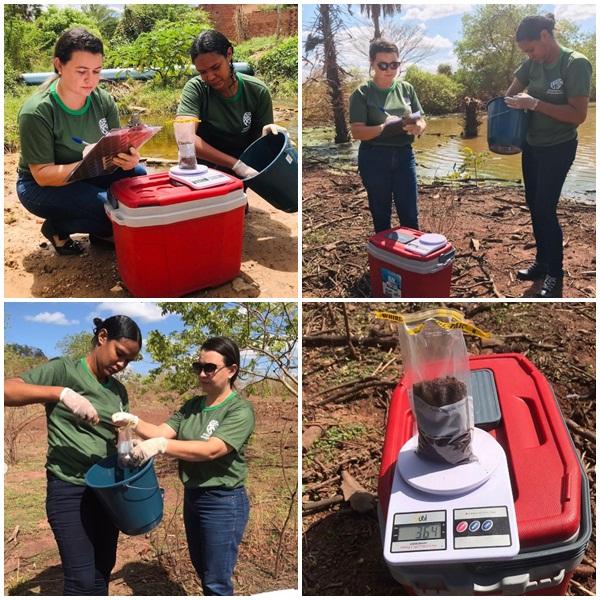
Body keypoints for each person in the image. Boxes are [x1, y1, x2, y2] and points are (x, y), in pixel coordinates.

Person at [4, 316, 142, 595]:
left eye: (129, 360)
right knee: (80, 579)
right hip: (69, 488)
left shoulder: (118, 390)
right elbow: (6, 389)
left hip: (106, 491)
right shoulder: (64, 370)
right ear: (103, 337)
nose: (121, 365)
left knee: (103, 569)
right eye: (119, 354)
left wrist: (129, 444)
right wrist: (61, 393)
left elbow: (119, 436)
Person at [112, 336, 255, 596]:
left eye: (209, 368)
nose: (202, 374)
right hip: (194, 496)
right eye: (198, 367)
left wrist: (160, 446)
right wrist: (132, 422)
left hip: (223, 501)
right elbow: (159, 430)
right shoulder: (191, 407)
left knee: (216, 580)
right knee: (202, 568)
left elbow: (213, 449)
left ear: (232, 370)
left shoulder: (238, 410)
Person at [16, 28, 146, 256]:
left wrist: (127, 158)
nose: (91, 80)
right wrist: (85, 166)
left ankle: (99, 228)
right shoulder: (37, 112)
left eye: (96, 71)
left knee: (138, 177)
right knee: (108, 209)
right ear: (59, 65)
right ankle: (57, 228)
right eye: (81, 71)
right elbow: (42, 174)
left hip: (91, 170)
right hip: (41, 186)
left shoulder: (103, 100)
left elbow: (115, 145)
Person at [505, 14, 592, 298]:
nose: (530, 56)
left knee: (545, 206)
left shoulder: (575, 63)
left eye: (531, 49)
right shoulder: (533, 63)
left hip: (559, 146)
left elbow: (578, 115)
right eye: (526, 53)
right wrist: (510, 105)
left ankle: (555, 274)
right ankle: (542, 263)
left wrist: (535, 103)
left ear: (545, 36)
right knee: (534, 204)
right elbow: (510, 94)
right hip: (532, 145)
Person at [176, 29, 285, 179]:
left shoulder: (257, 91)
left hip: (241, 171)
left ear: (229, 54)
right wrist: (235, 164)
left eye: (215, 68)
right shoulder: (195, 89)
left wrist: (272, 138)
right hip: (201, 171)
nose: (210, 77)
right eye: (202, 72)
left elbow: (259, 142)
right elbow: (185, 139)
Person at [349, 38, 427, 233]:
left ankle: (411, 259)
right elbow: (357, 132)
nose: (389, 69)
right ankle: (384, 259)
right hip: (374, 157)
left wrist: (418, 126)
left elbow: (422, 119)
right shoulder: (361, 93)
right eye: (382, 65)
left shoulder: (406, 88)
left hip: (404, 155)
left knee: (410, 213)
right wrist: (384, 127)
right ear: (372, 63)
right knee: (381, 213)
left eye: (394, 64)